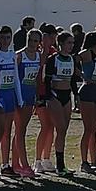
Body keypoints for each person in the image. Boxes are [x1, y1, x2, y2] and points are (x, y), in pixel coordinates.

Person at [0, 26, 22, 177]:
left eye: (8, 38)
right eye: (3, 38)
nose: (6, 41)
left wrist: (19, 99)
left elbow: (15, 79)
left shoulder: (12, 55)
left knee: (7, 131)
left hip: (10, 98)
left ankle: (5, 164)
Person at [42, 31, 78, 177]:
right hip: (55, 96)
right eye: (69, 43)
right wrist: (48, 97)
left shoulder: (71, 59)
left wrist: (76, 97)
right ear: (61, 43)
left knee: (63, 131)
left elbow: (73, 79)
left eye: (72, 43)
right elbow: (47, 80)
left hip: (67, 96)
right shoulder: (53, 59)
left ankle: (61, 164)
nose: (71, 46)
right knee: (60, 128)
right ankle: (59, 164)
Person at [76, 31, 96, 173]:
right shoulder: (87, 53)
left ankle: (94, 159)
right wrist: (82, 76)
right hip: (87, 91)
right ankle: (84, 162)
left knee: (94, 128)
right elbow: (73, 60)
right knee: (88, 129)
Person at [14, 29, 42, 177]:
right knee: (20, 131)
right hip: (20, 96)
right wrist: (19, 98)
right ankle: (24, 165)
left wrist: (37, 96)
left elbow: (37, 78)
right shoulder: (19, 55)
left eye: (35, 41)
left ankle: (16, 164)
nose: (32, 44)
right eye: (30, 40)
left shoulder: (38, 55)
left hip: (31, 95)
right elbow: (16, 78)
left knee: (21, 129)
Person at [34, 23, 59, 173]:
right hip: (41, 91)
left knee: (51, 126)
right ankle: (37, 160)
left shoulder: (54, 51)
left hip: (52, 91)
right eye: (50, 36)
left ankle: (46, 158)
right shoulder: (39, 52)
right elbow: (40, 66)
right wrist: (44, 48)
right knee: (45, 125)